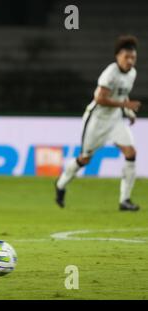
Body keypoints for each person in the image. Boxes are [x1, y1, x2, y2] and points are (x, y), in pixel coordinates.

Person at [55, 35, 141, 211]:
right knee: (85, 159)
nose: (130, 61)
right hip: (96, 120)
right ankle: (61, 184)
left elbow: (122, 93)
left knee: (130, 152)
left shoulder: (132, 73)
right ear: (118, 56)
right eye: (126, 57)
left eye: (133, 57)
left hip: (115, 119)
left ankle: (124, 200)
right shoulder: (110, 73)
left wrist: (128, 111)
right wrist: (125, 105)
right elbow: (100, 99)